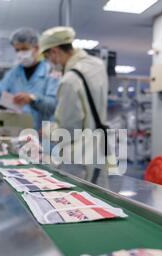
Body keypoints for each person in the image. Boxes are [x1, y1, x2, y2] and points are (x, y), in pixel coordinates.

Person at [39, 26, 109, 160]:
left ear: (55, 51)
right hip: (101, 148)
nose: (50, 63)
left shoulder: (69, 81)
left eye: (48, 57)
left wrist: (48, 131)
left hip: (79, 156)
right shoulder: (98, 65)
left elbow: (68, 130)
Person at [0, 27, 59, 131]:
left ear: (36, 48)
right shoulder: (13, 74)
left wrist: (32, 98)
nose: (20, 53)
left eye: (24, 49)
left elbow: (53, 105)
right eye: (17, 50)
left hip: (44, 135)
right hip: (19, 133)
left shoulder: (51, 72)